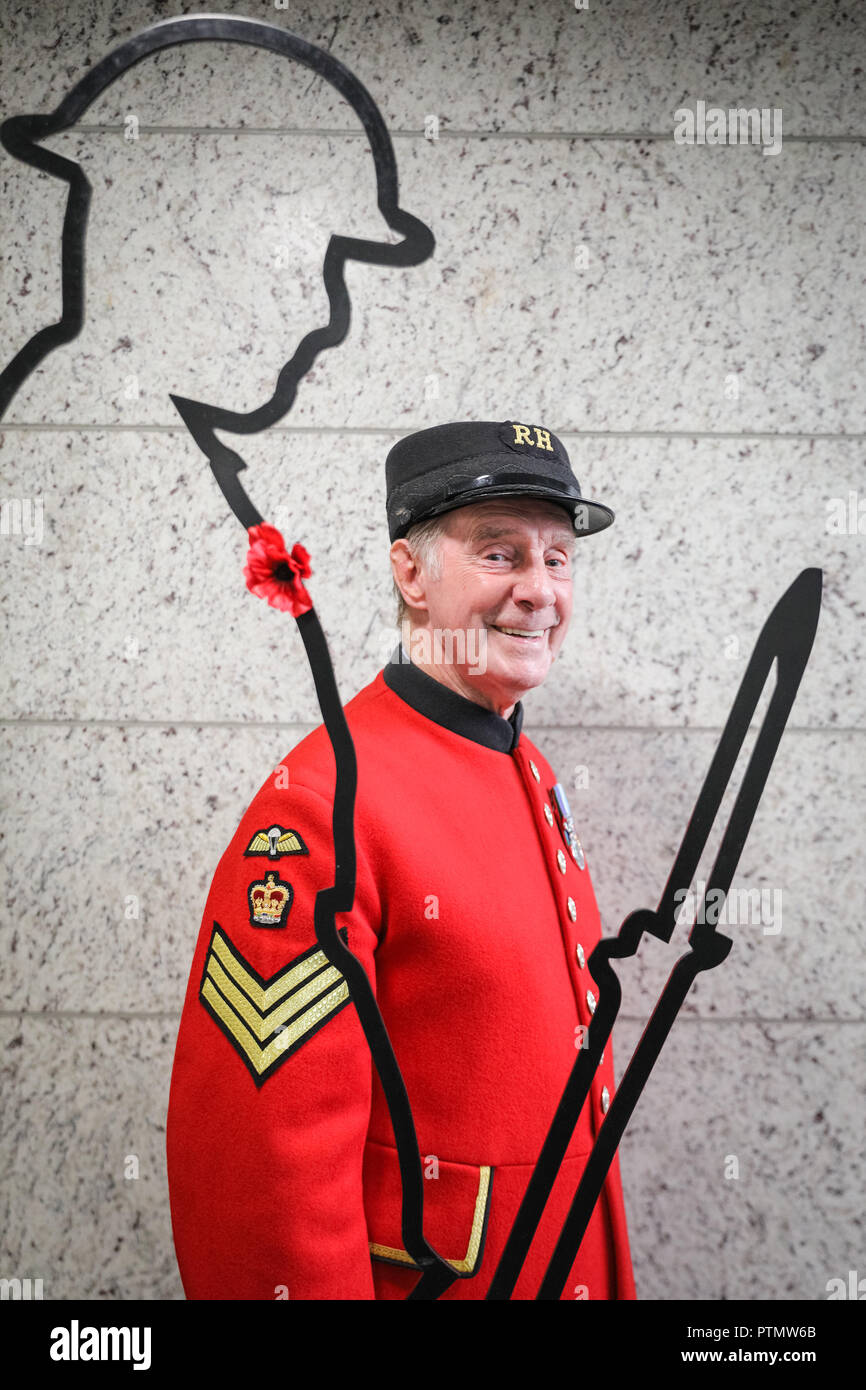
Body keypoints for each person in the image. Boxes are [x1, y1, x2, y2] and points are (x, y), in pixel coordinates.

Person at [166, 418, 636, 1300]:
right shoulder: (317, 805)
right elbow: (264, 1174)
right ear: (411, 573)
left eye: (558, 557)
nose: (540, 591)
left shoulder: (523, 764)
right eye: (500, 554)